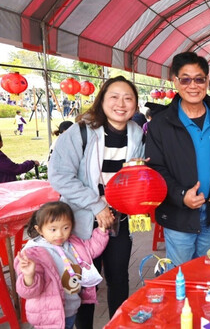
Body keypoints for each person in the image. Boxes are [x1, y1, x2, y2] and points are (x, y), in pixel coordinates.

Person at [48, 76, 145, 328]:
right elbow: (59, 175)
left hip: (118, 220)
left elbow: (135, 179)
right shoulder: (80, 132)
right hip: (80, 223)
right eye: (114, 97)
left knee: (118, 278)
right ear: (102, 100)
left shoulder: (136, 134)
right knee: (83, 282)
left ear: (135, 104)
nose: (121, 104)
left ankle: (117, 324)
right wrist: (97, 205)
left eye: (128, 98)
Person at [145, 52, 210, 267]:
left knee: (208, 274)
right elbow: (155, 169)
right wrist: (181, 195)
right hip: (178, 216)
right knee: (179, 276)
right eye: (185, 79)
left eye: (199, 79)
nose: (192, 85)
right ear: (174, 81)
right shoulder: (161, 124)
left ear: (207, 81)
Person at [14, 202, 108, 329]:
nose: (59, 234)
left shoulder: (71, 243)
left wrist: (101, 231)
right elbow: (28, 292)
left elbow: (90, 250)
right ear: (39, 229)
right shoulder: (34, 254)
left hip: (70, 310)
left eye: (65, 228)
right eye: (53, 229)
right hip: (49, 316)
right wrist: (29, 276)